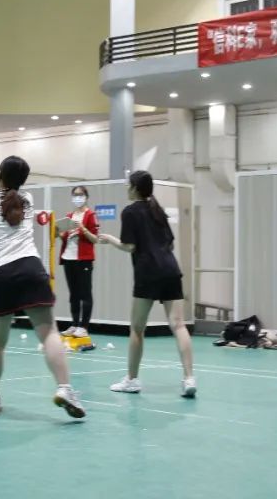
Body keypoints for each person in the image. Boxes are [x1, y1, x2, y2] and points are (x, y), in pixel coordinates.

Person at [0, 156, 85, 419]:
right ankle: (64, 388)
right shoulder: (27, 200)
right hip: (31, 269)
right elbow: (4, 209)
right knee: (49, 333)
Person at [99, 170, 195, 398]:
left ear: (135, 188)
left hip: (147, 273)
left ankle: (132, 380)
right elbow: (170, 243)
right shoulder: (157, 210)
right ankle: (189, 378)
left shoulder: (130, 212)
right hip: (171, 270)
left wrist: (109, 239)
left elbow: (129, 246)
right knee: (179, 326)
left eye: (128, 185)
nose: (126, 188)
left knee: (137, 329)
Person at [58, 186, 100, 339]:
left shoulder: (91, 215)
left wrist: (82, 229)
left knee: (85, 293)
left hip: (84, 260)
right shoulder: (69, 216)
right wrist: (59, 233)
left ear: (86, 197)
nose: (78, 197)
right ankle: (75, 324)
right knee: (73, 294)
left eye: (80, 195)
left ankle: (84, 326)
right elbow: (63, 236)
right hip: (68, 259)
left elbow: (95, 239)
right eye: (75, 195)